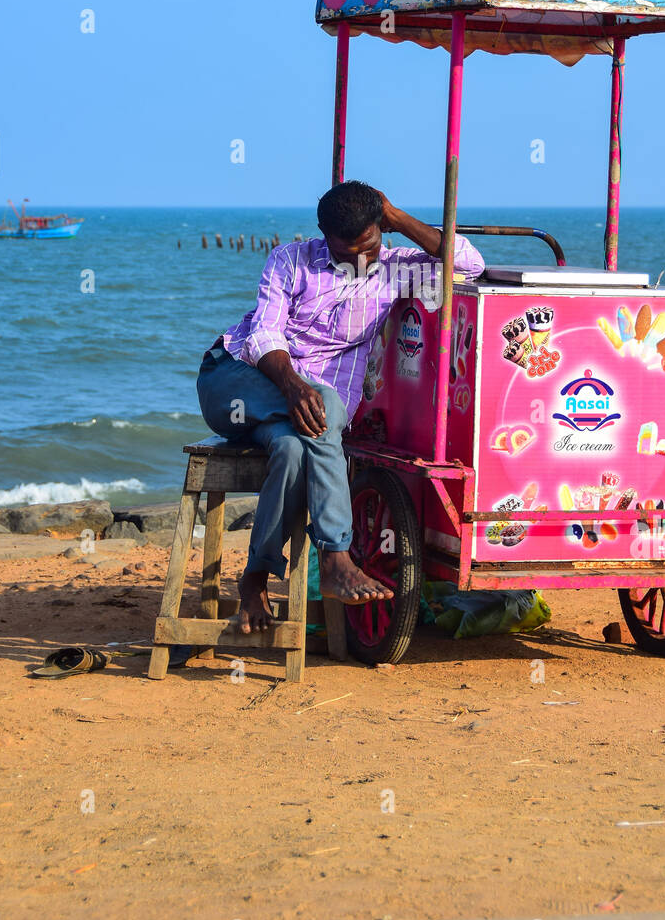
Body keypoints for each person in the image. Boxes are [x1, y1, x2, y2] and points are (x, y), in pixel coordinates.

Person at [197, 181, 484, 634]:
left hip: (303, 418)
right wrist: (292, 386)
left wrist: (398, 217)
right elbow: (264, 335)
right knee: (325, 404)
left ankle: (253, 582)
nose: (360, 260)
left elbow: (470, 264)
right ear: (322, 235)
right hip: (237, 382)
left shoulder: (397, 269)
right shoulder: (290, 260)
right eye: (346, 251)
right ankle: (335, 555)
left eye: (368, 246)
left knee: (293, 451)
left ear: (380, 229)